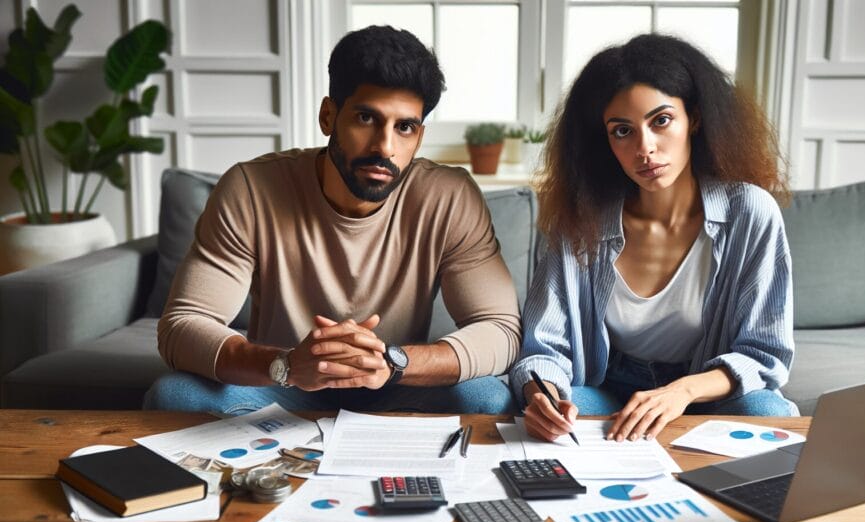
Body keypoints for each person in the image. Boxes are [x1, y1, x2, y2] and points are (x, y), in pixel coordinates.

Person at [144, 26, 521, 415]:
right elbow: (183, 325)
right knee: (174, 395)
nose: (384, 147)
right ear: (329, 116)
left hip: (396, 388)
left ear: (419, 136)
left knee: (487, 398)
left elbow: (501, 330)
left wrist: (393, 362)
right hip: (284, 388)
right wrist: (288, 365)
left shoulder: (450, 196)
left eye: (404, 127)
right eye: (365, 118)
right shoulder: (251, 188)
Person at [510, 33, 798, 444]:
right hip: (606, 393)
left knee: (765, 409)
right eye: (622, 131)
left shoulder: (749, 211)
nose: (644, 148)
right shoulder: (581, 219)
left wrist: (681, 391)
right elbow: (543, 347)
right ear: (604, 140)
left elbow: (763, 356)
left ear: (694, 119)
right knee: (485, 397)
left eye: (661, 121)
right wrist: (543, 395)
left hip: (705, 393)